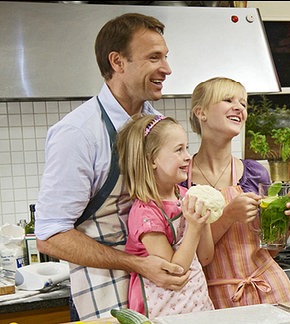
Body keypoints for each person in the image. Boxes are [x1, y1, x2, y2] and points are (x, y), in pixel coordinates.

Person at [34, 13, 189, 321]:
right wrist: (137, 263)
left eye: (166, 57)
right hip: (103, 289)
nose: (167, 69)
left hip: (162, 290)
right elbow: (50, 234)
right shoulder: (78, 133)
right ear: (118, 62)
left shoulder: (155, 123)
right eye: (154, 58)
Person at [187, 77, 290, 308]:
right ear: (201, 113)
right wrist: (229, 215)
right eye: (228, 99)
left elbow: (271, 250)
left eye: (243, 103)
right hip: (216, 299)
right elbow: (193, 258)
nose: (239, 107)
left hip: (271, 289)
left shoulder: (254, 173)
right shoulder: (182, 181)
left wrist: (287, 223)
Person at [116, 114, 214, 318]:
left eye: (186, 148)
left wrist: (203, 221)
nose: (188, 156)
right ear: (152, 159)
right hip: (162, 310)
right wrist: (194, 227)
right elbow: (174, 270)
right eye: (179, 150)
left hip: (196, 305)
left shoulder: (186, 196)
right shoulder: (146, 213)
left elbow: (205, 257)